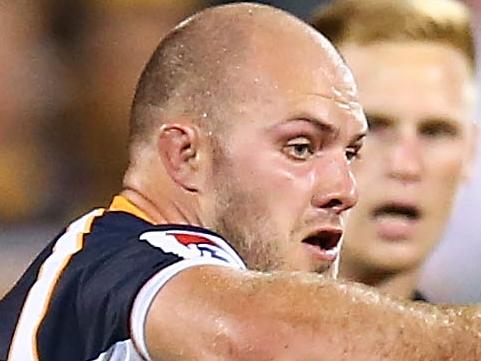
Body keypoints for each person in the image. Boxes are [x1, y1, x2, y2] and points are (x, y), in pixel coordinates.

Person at [1, 3, 480, 361]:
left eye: (351, 152)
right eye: (300, 147)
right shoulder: (111, 269)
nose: (345, 189)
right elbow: (256, 334)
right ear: (186, 155)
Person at [311, 0, 478, 301]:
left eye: (436, 132)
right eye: (372, 127)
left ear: (470, 150)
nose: (406, 165)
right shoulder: (212, 343)